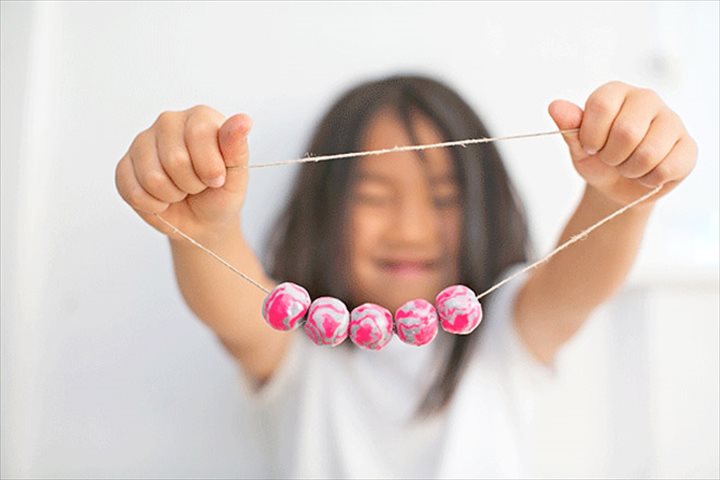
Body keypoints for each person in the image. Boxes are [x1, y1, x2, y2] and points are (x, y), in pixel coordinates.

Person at [114, 75, 696, 477]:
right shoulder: (298, 344)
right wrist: (206, 234)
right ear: (325, 207)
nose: (410, 229)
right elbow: (235, 309)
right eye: (373, 196)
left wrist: (618, 199)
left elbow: (577, 285)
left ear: (481, 207)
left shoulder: (506, 330)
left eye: (443, 197)